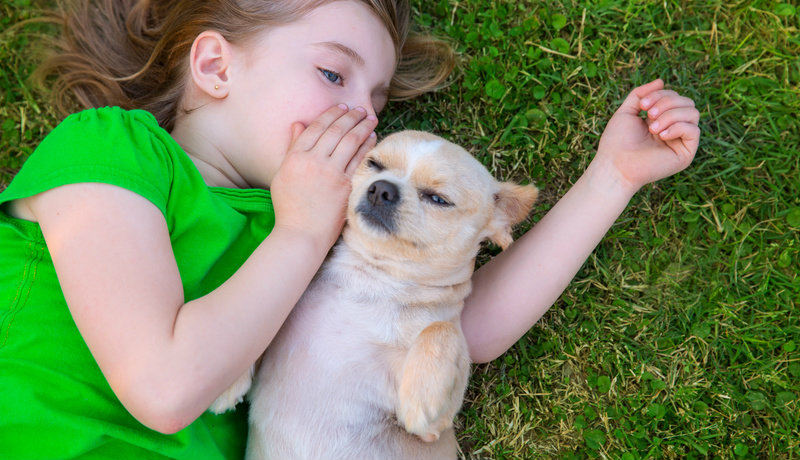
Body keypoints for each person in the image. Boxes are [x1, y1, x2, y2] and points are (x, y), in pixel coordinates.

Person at [0, 0, 700, 458]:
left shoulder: (317, 215)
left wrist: (613, 177)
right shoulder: (111, 152)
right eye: (334, 73)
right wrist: (300, 235)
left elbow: (465, 322)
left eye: (376, 102)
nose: (364, 119)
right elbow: (163, 387)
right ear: (215, 66)